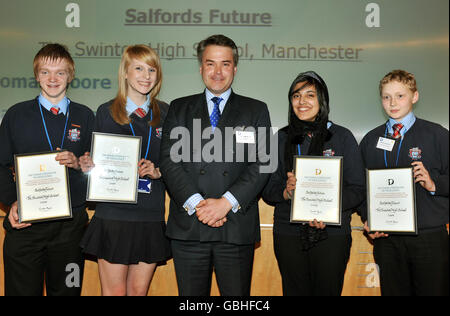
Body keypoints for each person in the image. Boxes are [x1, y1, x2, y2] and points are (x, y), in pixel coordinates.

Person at [160, 34, 272, 296]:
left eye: (225, 64)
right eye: (210, 64)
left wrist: (225, 203)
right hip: (189, 227)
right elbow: (168, 160)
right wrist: (199, 205)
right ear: (201, 68)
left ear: (235, 67)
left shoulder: (255, 110)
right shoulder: (179, 108)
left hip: (235, 226)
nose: (218, 72)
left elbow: (263, 163)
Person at [0, 43, 95, 296]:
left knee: (68, 291)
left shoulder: (86, 116)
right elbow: (0, 165)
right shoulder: (16, 115)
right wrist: (11, 202)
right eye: (45, 72)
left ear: (70, 75)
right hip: (26, 225)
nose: (52, 79)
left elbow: (96, 170)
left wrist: (79, 164)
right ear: (36, 75)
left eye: (60, 72)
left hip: (71, 228)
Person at [262, 71, 365, 296]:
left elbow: (357, 189)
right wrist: (286, 193)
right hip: (288, 233)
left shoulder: (342, 136)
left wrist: (329, 210)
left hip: (332, 235)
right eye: (296, 96)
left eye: (310, 95)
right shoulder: (279, 138)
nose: (302, 102)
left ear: (322, 100)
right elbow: (268, 189)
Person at [79, 45, 171, 296]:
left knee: (138, 292)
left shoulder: (167, 113)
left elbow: (176, 164)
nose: (146, 75)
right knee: (114, 293)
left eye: (152, 69)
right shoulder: (105, 112)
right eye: (139, 68)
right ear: (125, 73)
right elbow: (93, 162)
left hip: (150, 212)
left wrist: (158, 171)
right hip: (114, 214)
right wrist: (88, 165)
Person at [360, 69, 449, 296]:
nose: (393, 102)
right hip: (386, 239)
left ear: (414, 97)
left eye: (400, 96)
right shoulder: (371, 140)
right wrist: (367, 218)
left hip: (428, 237)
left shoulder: (437, 135)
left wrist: (434, 183)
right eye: (387, 97)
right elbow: (360, 187)